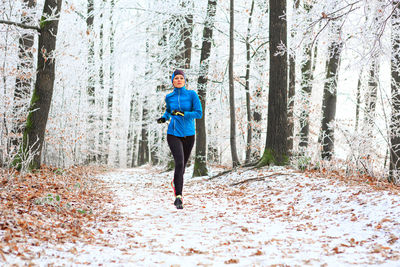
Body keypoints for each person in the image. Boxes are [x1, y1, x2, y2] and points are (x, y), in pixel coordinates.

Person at [157, 69, 203, 209]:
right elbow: (169, 111)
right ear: (172, 81)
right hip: (173, 133)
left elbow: (199, 113)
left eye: (181, 78)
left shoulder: (191, 95)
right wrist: (164, 118)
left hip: (189, 134)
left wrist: (184, 114)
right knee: (179, 163)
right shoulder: (169, 97)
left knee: (182, 166)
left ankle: (176, 181)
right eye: (176, 78)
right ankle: (178, 197)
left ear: (184, 81)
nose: (178, 80)